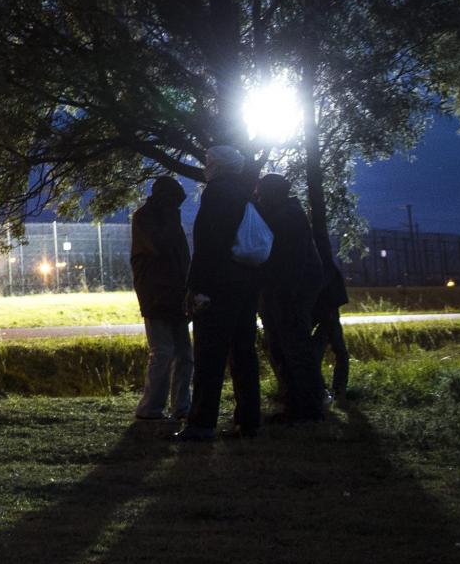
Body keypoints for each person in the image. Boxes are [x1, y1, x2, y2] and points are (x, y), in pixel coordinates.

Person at [177, 144, 264, 442]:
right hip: (244, 283)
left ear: (218, 165)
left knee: (210, 354)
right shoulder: (245, 193)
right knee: (243, 352)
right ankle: (249, 419)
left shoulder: (215, 193)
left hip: (217, 285)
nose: (206, 166)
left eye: (209, 161)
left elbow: (208, 245)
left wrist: (196, 285)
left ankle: (202, 422)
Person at [255, 173, 329, 423]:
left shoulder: (287, 217)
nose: (259, 198)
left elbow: (288, 263)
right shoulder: (287, 213)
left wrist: (282, 294)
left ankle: (306, 407)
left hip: (289, 293)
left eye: (262, 193)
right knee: (285, 348)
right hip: (285, 291)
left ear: (274, 193)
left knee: (293, 349)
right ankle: (298, 405)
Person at [128, 176, 193, 420]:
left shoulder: (163, 216)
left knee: (184, 354)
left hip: (173, 293)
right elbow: (160, 246)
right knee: (164, 352)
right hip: (156, 294)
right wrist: (171, 218)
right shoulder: (145, 218)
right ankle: (151, 408)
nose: (176, 206)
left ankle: (180, 406)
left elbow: (182, 257)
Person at [312, 231, 351, 401]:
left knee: (321, 352)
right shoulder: (325, 264)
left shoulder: (317, 264)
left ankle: (327, 389)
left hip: (324, 313)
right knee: (338, 350)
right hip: (327, 313)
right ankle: (336, 389)